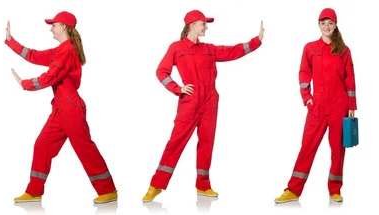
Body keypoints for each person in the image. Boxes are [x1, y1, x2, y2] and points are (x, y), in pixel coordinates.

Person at [142, 9, 265, 203]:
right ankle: (156, 185)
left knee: (207, 144)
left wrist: (256, 41)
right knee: (175, 144)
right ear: (192, 25)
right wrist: (178, 88)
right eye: (203, 24)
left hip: (210, 103)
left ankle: (203, 185)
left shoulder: (208, 48)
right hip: (189, 104)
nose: (206, 27)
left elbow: (232, 51)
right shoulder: (176, 47)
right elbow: (161, 72)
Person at [5, 11, 118, 204]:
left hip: (71, 108)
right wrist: (10, 41)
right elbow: (35, 55)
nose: (51, 28)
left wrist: (25, 83)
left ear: (64, 27)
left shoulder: (67, 51)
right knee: (42, 145)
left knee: (84, 149)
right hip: (60, 109)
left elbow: (50, 77)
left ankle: (108, 190)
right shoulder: (61, 50)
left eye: (54, 25)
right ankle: (34, 191)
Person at [274, 8, 356, 204]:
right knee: (307, 147)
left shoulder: (344, 50)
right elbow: (303, 74)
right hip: (317, 106)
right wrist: (307, 97)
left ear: (335, 25)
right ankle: (293, 190)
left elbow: (350, 79)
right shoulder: (310, 48)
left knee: (338, 149)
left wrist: (352, 105)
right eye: (323, 23)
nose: (326, 27)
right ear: (318, 25)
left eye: (330, 23)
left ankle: (335, 189)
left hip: (339, 105)